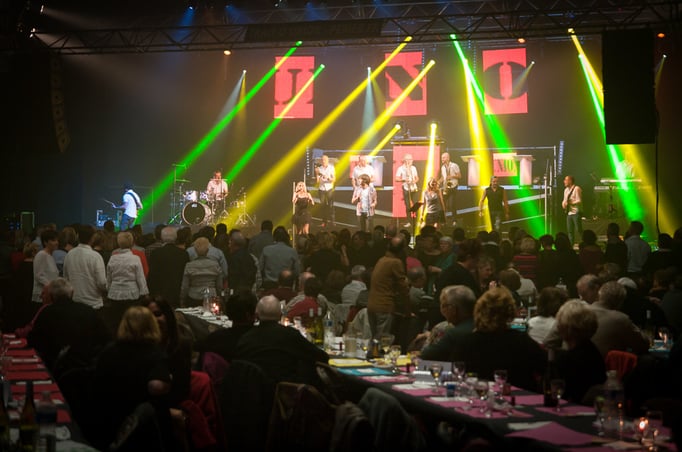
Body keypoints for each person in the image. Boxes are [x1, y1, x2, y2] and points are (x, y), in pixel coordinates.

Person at [92, 306, 174, 451]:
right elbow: (156, 386)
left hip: (107, 421)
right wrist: (169, 381)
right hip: (141, 429)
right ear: (152, 325)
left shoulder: (109, 351)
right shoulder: (154, 353)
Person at [450, 287, 547, 390]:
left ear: (479, 311)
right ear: (510, 312)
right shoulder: (521, 340)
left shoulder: (466, 342)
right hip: (521, 395)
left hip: (478, 394)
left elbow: (455, 374)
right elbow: (544, 366)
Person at [234, 295, 329, 387]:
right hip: (283, 392)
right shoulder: (290, 335)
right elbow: (321, 356)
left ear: (256, 315)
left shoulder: (245, 338)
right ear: (280, 315)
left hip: (251, 391)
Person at [554, 300, 606, 404]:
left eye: (560, 323)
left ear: (568, 328)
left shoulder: (568, 359)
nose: (557, 326)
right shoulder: (593, 351)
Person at [420, 285, 476, 360]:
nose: (441, 310)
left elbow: (426, 356)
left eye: (443, 305)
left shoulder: (454, 333)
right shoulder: (485, 325)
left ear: (453, 309)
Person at [63, 224, 107, 310]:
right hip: (93, 304)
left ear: (77, 236)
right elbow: (102, 283)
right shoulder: (96, 256)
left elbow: (66, 278)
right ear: (93, 238)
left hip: (75, 302)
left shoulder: (69, 254)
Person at [147, 226, 190, 309]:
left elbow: (152, 275)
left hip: (159, 292)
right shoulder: (183, 254)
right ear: (176, 237)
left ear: (162, 237)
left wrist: (151, 293)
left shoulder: (155, 253)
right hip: (177, 291)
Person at [180, 237, 223, 307]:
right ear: (207, 250)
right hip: (211, 296)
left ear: (195, 250)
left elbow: (185, 286)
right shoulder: (215, 265)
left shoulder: (189, 266)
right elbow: (219, 286)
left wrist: (182, 299)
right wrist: (220, 296)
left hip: (193, 297)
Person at [395, 153, 419, 227]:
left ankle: (417, 221)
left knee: (416, 204)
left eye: (411, 159)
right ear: (406, 160)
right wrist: (404, 180)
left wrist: (414, 181)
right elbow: (396, 178)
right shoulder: (401, 168)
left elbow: (417, 178)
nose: (412, 161)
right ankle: (409, 221)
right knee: (408, 206)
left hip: (413, 187)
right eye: (410, 159)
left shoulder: (413, 168)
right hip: (406, 188)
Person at [439, 152, 461, 226]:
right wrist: (438, 182)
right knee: (443, 205)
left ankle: (454, 220)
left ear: (448, 158)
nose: (442, 159)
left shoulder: (454, 165)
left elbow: (459, 176)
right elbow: (443, 177)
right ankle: (444, 220)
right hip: (446, 187)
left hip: (453, 186)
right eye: (442, 158)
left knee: (452, 205)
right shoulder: (443, 167)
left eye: (443, 158)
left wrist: (451, 176)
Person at [562, 175, 583, 245]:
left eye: (566, 180)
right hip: (569, 213)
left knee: (579, 229)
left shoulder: (577, 188)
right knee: (570, 231)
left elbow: (579, 200)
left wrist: (571, 203)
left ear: (570, 181)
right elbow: (564, 200)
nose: (564, 181)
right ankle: (571, 246)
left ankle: (585, 243)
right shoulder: (566, 190)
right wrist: (563, 204)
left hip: (576, 212)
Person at [315, 154, 335, 227]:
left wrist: (328, 178)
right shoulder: (319, 169)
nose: (323, 161)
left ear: (328, 160)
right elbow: (317, 181)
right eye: (322, 160)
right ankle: (324, 222)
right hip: (321, 189)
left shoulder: (331, 168)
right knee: (323, 206)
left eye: (325, 160)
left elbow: (334, 179)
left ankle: (332, 221)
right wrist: (317, 175)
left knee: (330, 205)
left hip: (329, 188)